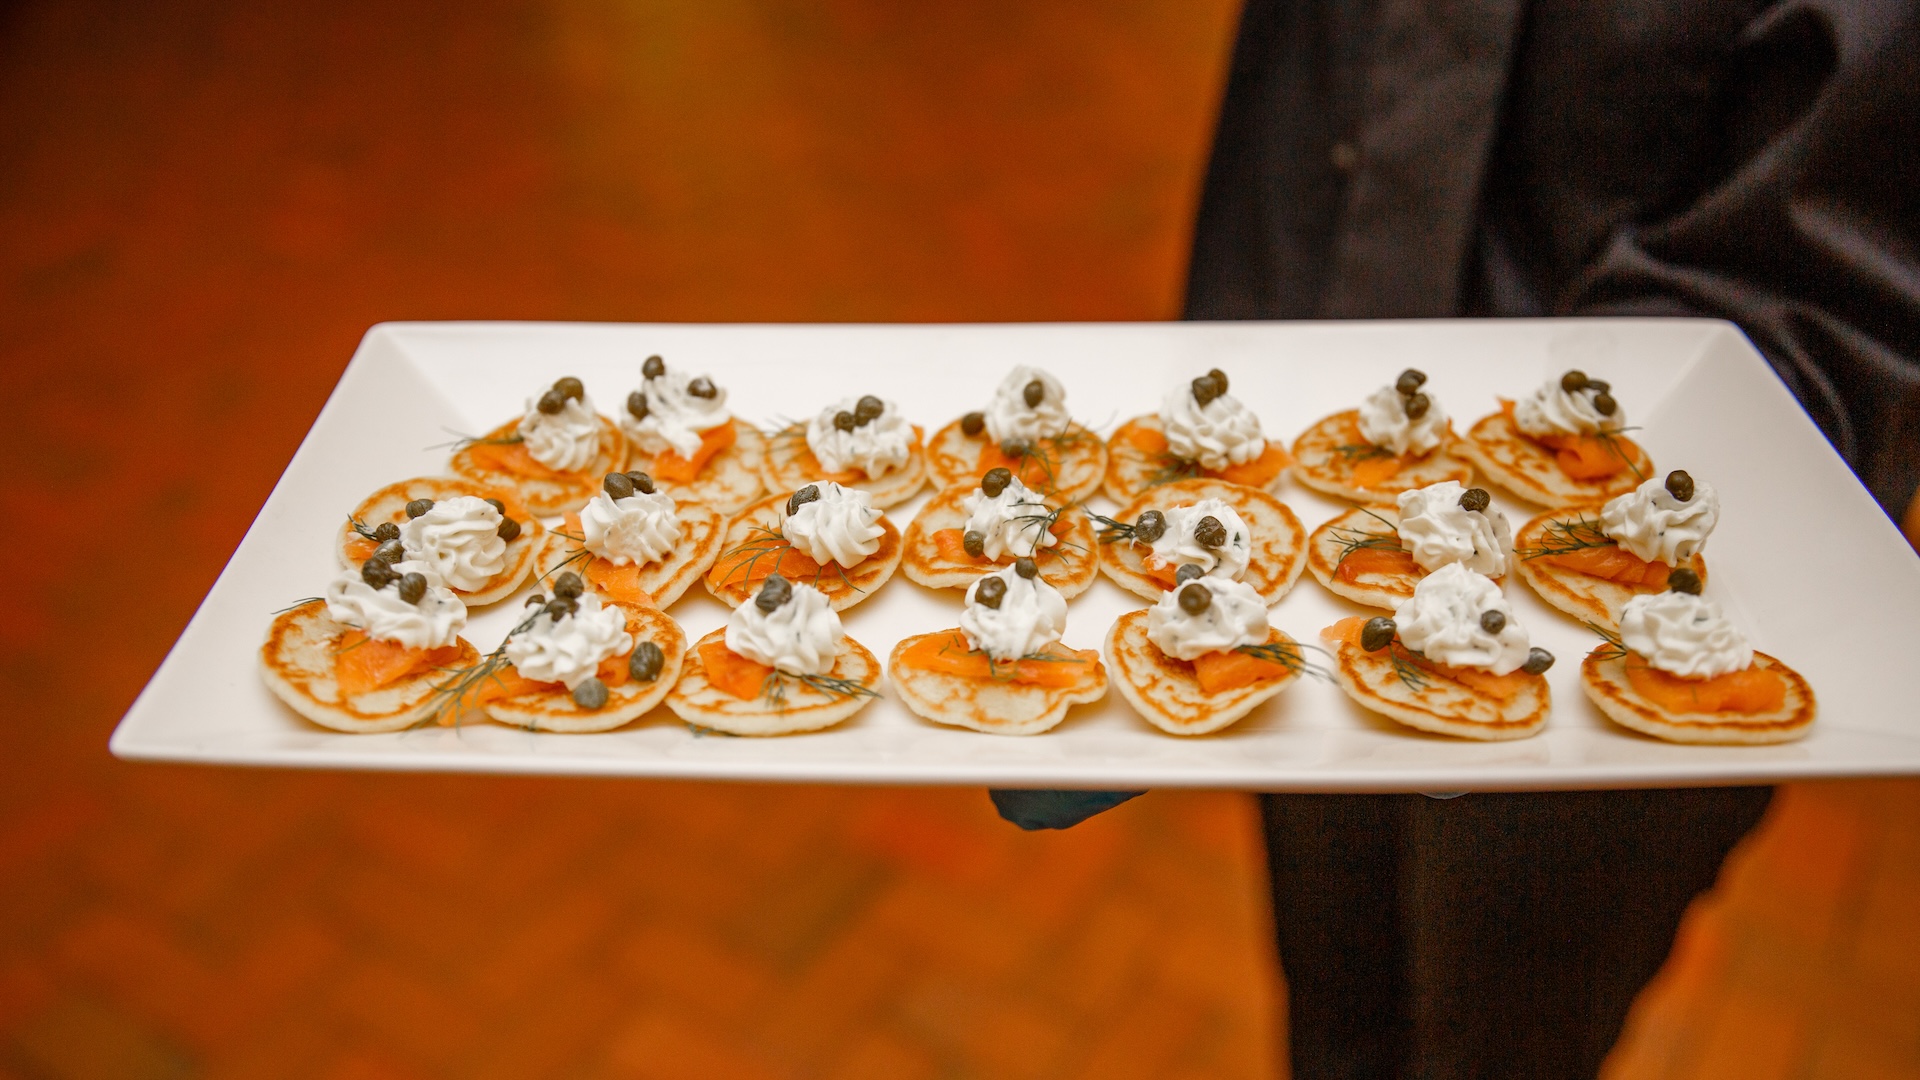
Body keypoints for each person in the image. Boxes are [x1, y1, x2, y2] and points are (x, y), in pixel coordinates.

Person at [998, 2, 1920, 1077]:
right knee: (1334, 1007)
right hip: (1292, 479)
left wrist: (1549, 541)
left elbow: (1839, 265)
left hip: (1625, 651)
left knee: (1502, 1039)